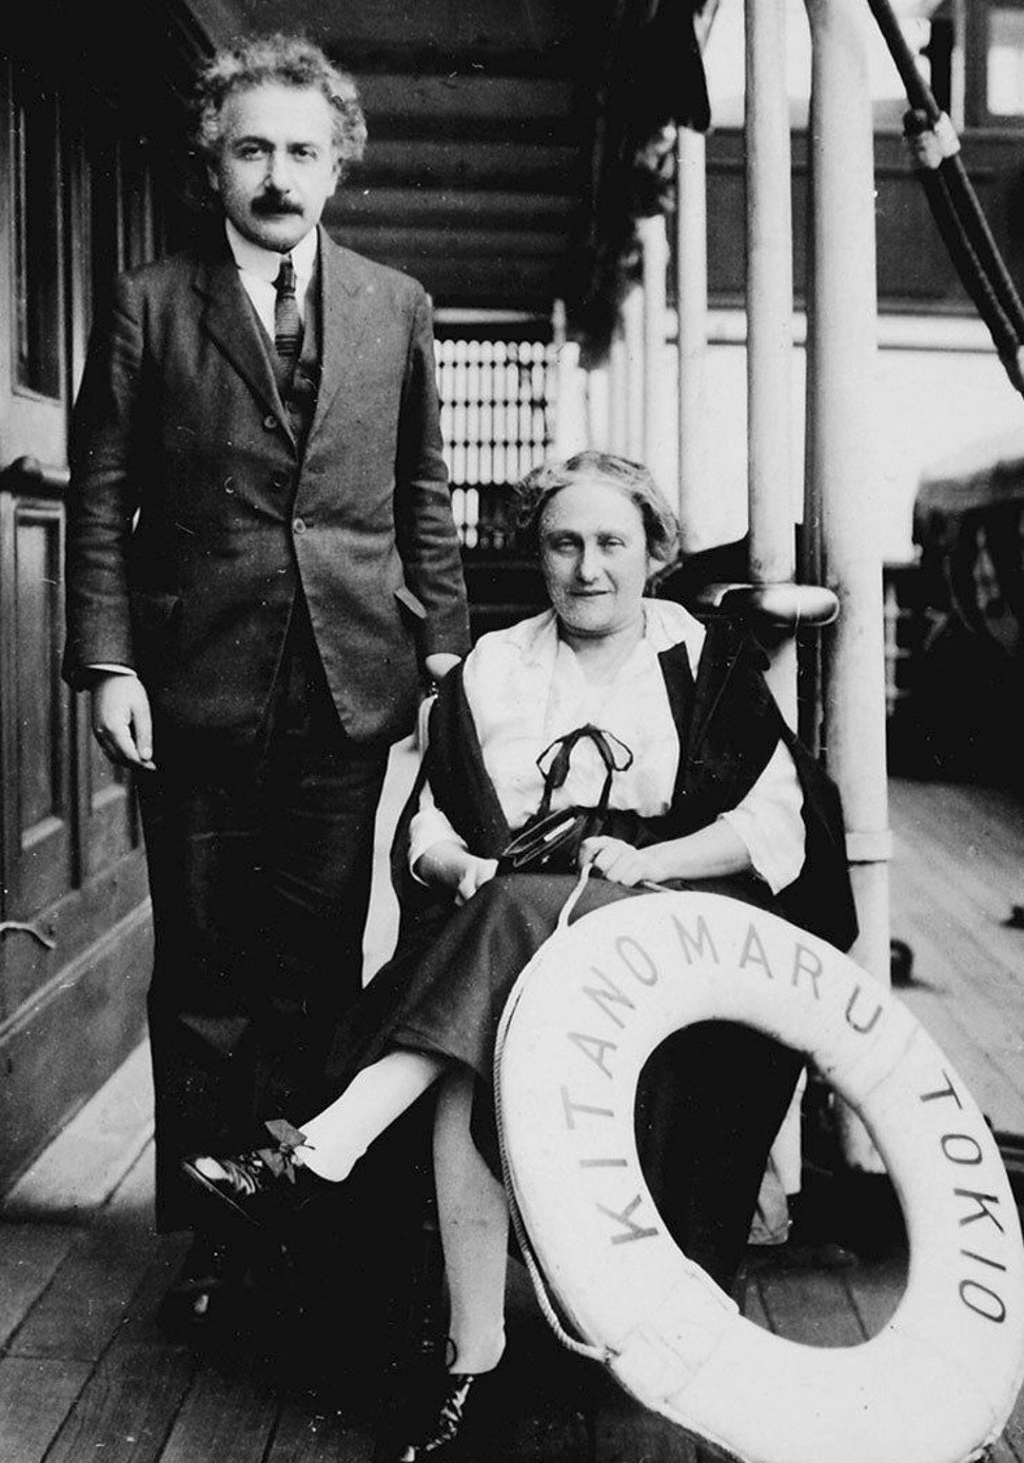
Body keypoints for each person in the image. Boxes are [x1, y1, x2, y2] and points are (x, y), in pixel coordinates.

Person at [182, 451, 857, 1458]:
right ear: (536, 553)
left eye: (612, 544)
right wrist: (459, 867)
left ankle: (325, 1152)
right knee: (487, 1020)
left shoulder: (699, 656)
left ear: (653, 554)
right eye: (565, 543)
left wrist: (647, 855)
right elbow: (426, 830)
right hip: (522, 927)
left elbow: (774, 827)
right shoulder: (496, 665)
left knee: (506, 926)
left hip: (675, 916)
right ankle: (470, 1350)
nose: (589, 567)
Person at [62, 34, 470, 1322]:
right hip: (192, 678)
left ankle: (300, 1204)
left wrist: (444, 642)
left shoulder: (395, 303)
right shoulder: (148, 302)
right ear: (214, 163)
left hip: (347, 679)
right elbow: (101, 495)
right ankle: (213, 1236)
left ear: (339, 162)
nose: (277, 174)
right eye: (253, 150)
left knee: (316, 954)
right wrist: (109, 660)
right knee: (202, 964)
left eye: (302, 150)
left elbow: (420, 489)